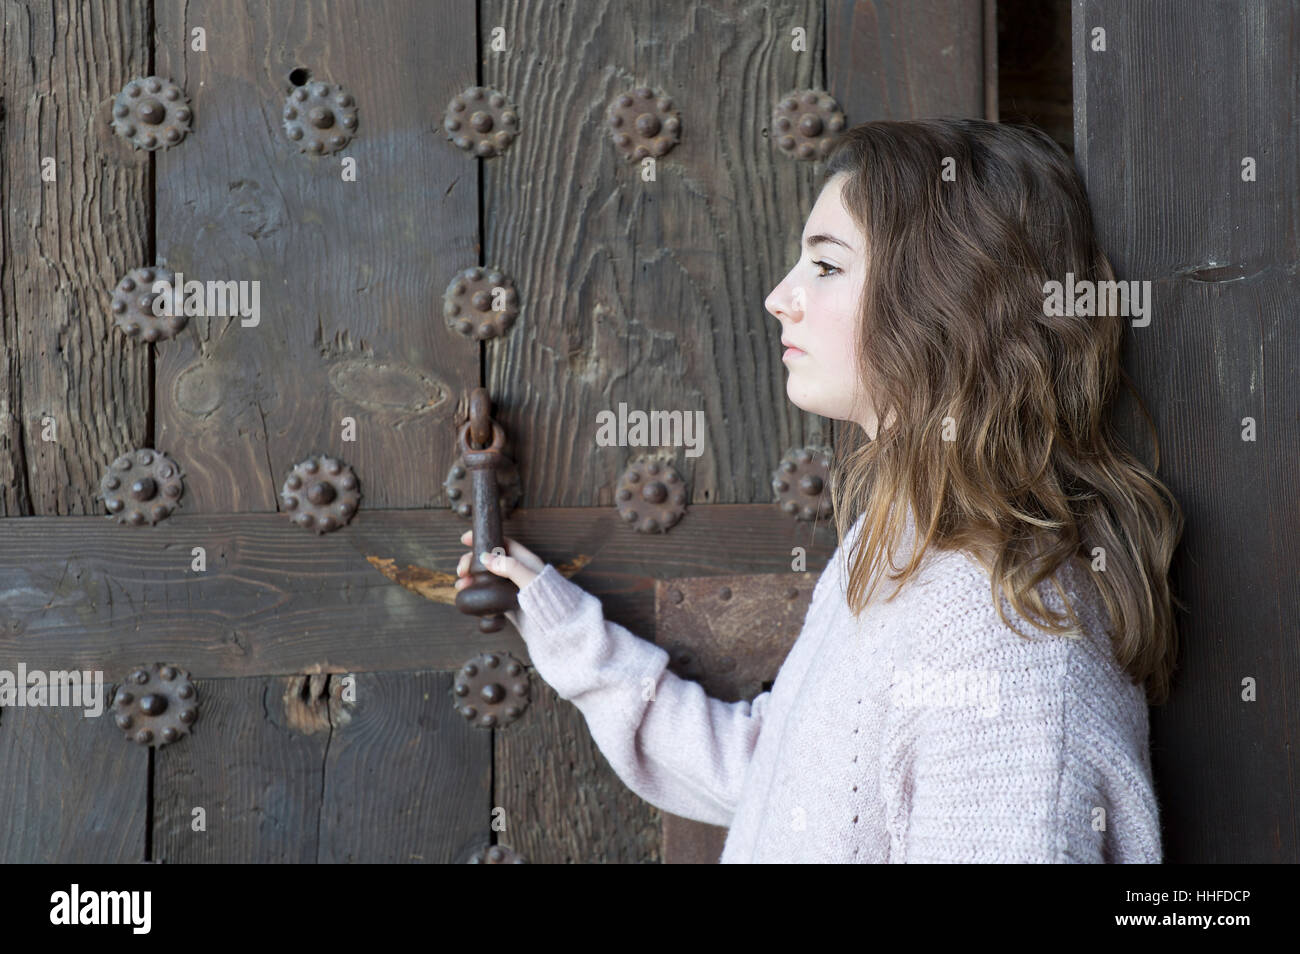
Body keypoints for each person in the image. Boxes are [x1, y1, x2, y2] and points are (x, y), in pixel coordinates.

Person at [455, 118, 1184, 863]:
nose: (780, 297)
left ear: (949, 298)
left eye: (826, 267)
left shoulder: (1008, 636)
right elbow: (781, 778)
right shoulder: (900, 541)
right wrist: (558, 623)